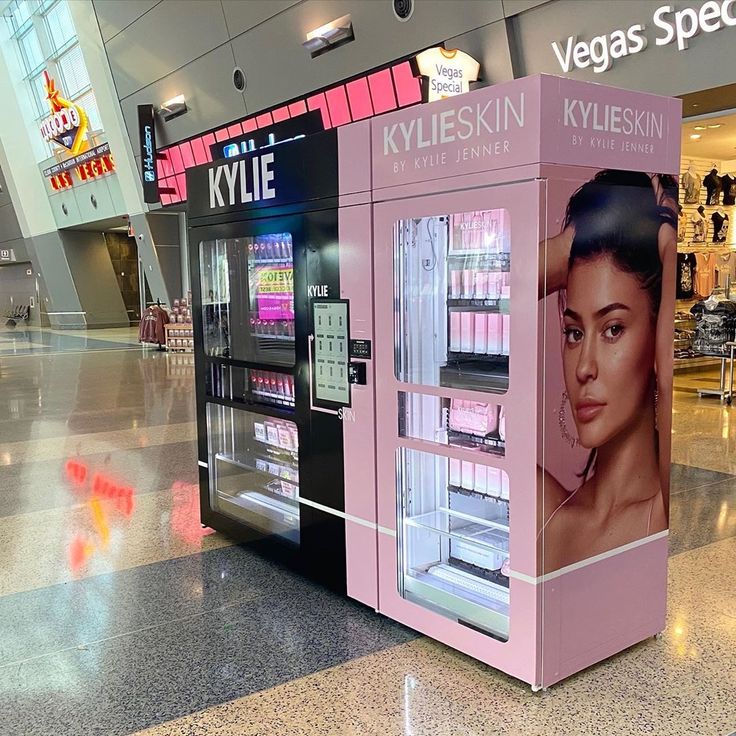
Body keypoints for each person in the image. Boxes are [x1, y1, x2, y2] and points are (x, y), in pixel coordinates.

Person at [538, 170, 677, 574]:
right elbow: (469, 295)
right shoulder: (545, 510)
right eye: (574, 332)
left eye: (613, 329)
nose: (584, 367)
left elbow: (668, 375)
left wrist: (669, 245)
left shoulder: (663, 513)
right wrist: (571, 247)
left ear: (657, 335)